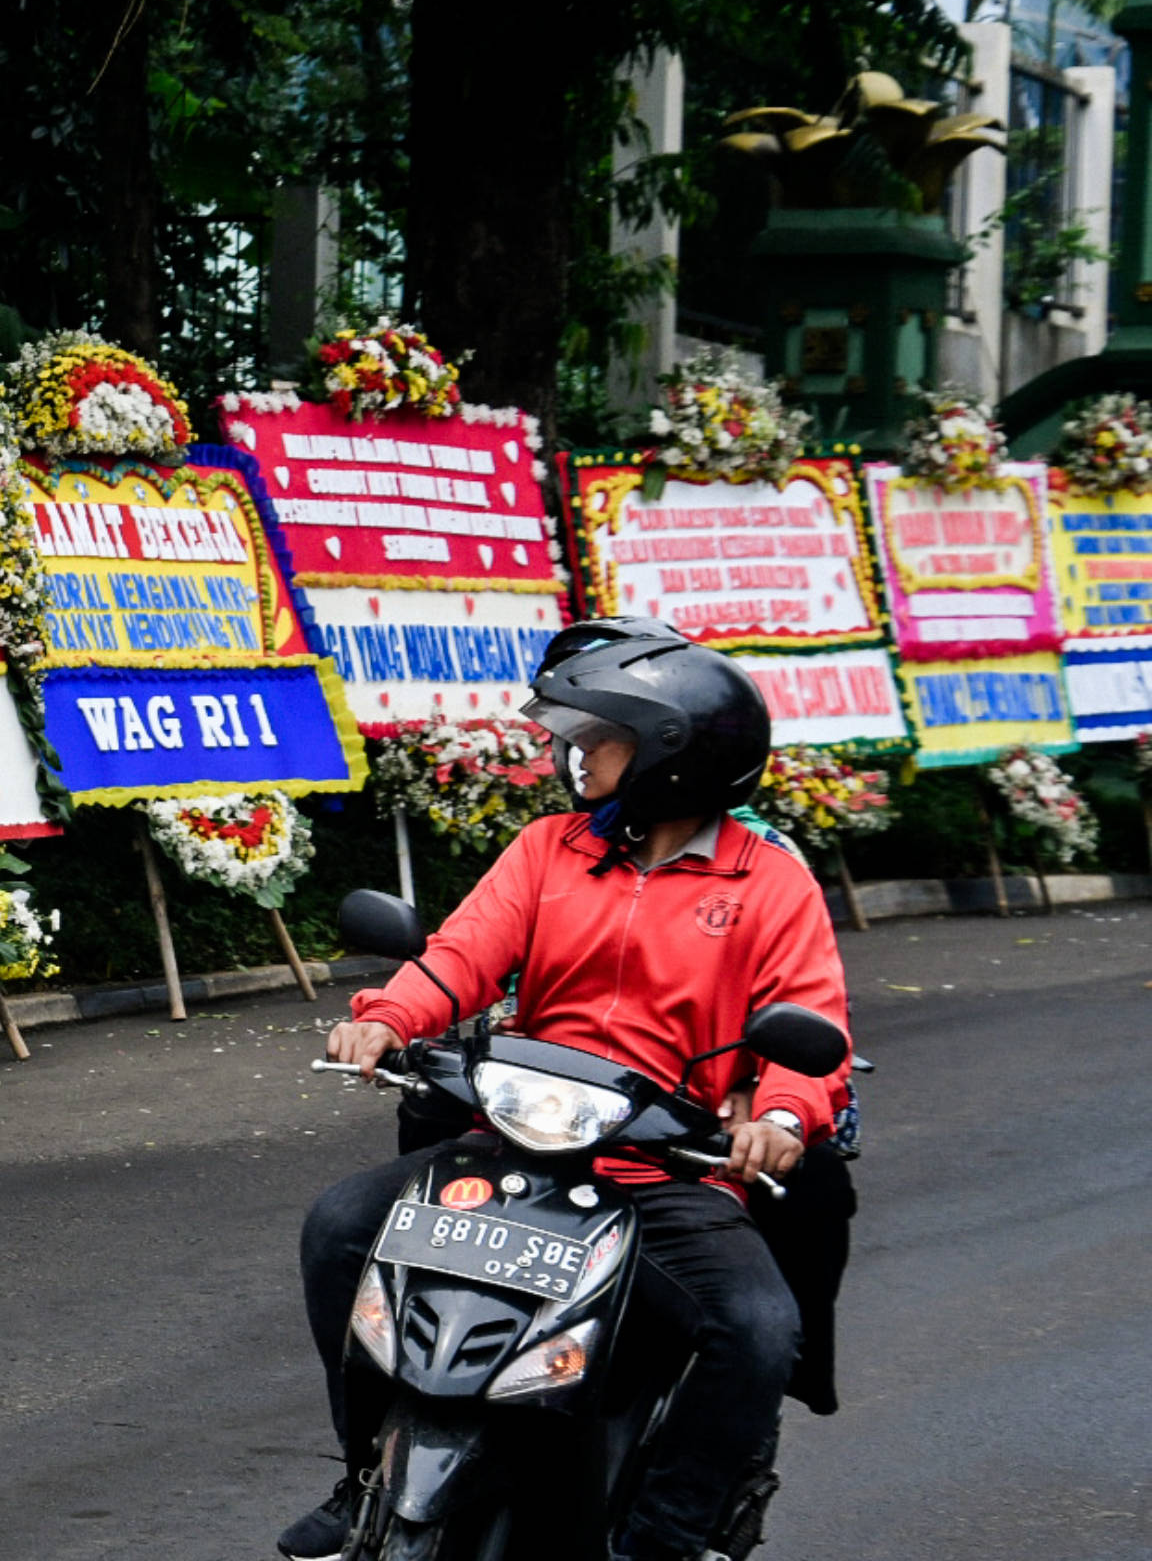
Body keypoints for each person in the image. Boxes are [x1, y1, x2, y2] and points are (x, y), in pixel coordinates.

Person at [279, 620, 852, 1561]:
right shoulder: (550, 849)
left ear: (672, 755)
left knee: (756, 1327)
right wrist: (388, 1016)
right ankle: (365, 1476)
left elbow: (808, 1021)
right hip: (518, 1143)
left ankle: (668, 1535)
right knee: (341, 1227)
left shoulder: (769, 883)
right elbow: (464, 954)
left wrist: (782, 1114)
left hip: (667, 1168)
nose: (575, 755)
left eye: (600, 738)